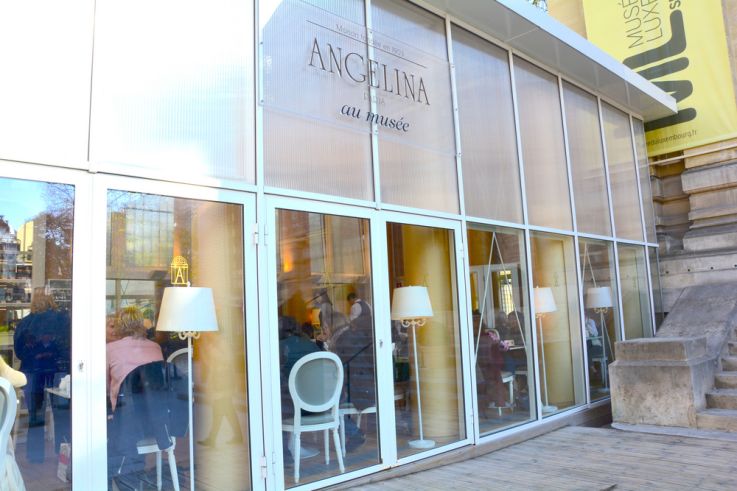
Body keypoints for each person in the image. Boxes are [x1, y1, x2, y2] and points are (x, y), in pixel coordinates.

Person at [13, 288, 70, 463]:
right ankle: (63, 455)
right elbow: (68, 347)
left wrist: (36, 355)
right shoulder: (63, 320)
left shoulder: (25, 323)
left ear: (33, 302)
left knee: (35, 415)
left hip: (33, 371)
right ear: (52, 301)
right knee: (61, 414)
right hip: (58, 370)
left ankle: (35, 456)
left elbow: (19, 352)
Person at [332, 293, 376, 451]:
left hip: (357, 390)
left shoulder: (341, 339)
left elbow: (338, 369)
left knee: (327, 404)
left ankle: (354, 433)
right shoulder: (357, 336)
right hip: (368, 387)